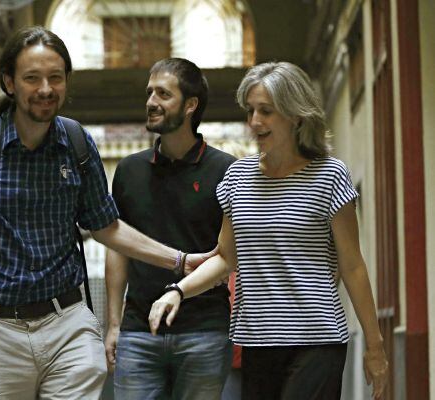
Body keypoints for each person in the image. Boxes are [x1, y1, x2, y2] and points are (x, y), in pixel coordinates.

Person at [0, 26, 214, 400]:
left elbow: (106, 226)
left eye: (55, 78)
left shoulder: (76, 143)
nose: (45, 89)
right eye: (32, 78)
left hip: (67, 321)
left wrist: (179, 260)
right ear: (9, 83)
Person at [148, 61, 389, 400]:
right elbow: (226, 258)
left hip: (317, 339)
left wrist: (375, 347)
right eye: (251, 111)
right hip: (257, 341)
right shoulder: (237, 178)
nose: (254, 122)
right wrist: (177, 290)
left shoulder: (329, 176)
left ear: (296, 116)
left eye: (266, 111)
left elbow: (352, 265)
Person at [105, 58, 235, 400]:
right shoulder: (129, 171)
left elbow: (229, 255)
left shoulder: (227, 171)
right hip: (137, 332)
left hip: (205, 331)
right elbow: (118, 247)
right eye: (150, 92)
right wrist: (114, 324)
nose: (151, 102)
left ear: (190, 105)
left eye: (163, 93)